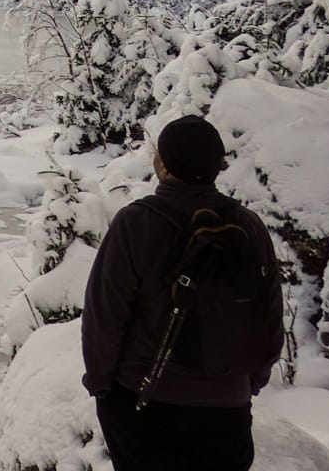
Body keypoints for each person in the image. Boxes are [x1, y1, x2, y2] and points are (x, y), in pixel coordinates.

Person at [81, 115, 285, 471]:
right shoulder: (248, 224)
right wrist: (247, 383)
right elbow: (269, 315)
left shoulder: (136, 222)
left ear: (163, 164)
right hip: (228, 408)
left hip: (144, 404)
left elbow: (104, 315)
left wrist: (101, 385)